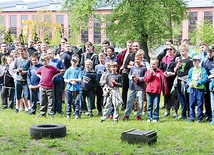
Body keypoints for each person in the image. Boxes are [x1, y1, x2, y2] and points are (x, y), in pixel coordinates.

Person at [121, 53, 147, 121]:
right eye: (135, 59)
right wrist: (132, 77)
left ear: (141, 60)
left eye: (138, 59)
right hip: (132, 87)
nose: (136, 61)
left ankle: (139, 115)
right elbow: (129, 76)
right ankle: (126, 115)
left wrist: (138, 78)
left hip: (140, 88)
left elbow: (145, 78)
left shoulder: (144, 68)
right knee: (130, 101)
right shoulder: (132, 68)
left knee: (140, 102)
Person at [144, 58, 168, 122]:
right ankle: (149, 117)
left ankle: (155, 117)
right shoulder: (148, 72)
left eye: (154, 64)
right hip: (149, 91)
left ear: (157, 64)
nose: (152, 65)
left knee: (156, 105)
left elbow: (164, 82)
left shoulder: (160, 72)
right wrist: (150, 74)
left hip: (157, 91)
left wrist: (164, 91)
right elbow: (146, 80)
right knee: (149, 105)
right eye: (151, 64)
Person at [173, 44, 193, 119]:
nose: (182, 53)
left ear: (187, 51)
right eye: (181, 51)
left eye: (183, 51)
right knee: (180, 98)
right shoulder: (179, 59)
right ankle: (183, 113)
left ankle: (189, 114)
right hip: (178, 80)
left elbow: (191, 71)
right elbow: (175, 70)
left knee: (187, 97)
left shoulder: (189, 60)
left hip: (186, 81)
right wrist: (176, 67)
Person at [187, 55, 208, 123]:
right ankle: (192, 117)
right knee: (192, 103)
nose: (194, 62)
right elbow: (189, 78)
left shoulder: (202, 69)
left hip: (199, 89)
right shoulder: (191, 70)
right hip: (192, 89)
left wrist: (199, 82)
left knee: (200, 103)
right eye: (193, 61)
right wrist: (189, 83)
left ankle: (200, 118)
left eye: (196, 61)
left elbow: (205, 78)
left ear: (199, 61)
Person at [63, 54, 83, 119]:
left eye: (75, 61)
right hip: (69, 88)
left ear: (77, 62)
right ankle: (68, 114)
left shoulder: (78, 70)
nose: (74, 63)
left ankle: (77, 113)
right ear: (71, 61)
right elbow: (65, 79)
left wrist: (73, 80)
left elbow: (80, 79)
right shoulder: (68, 70)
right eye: (73, 61)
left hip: (76, 89)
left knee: (76, 102)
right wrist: (70, 81)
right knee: (69, 102)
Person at [159, 45, 177, 117]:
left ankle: (175, 110)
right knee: (166, 94)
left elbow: (177, 71)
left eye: (171, 49)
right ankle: (167, 109)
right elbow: (160, 69)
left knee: (174, 95)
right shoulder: (163, 59)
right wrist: (164, 73)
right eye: (167, 49)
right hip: (165, 80)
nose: (169, 51)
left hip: (173, 79)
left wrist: (172, 73)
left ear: (174, 50)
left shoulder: (176, 59)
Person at [48, 48, 65, 115]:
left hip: (58, 80)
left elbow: (63, 70)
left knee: (58, 95)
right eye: (48, 53)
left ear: (53, 53)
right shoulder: (48, 62)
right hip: (50, 81)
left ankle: (59, 110)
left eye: (50, 53)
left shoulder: (58, 61)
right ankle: (53, 110)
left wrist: (57, 73)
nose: (49, 55)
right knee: (52, 96)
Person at [118, 40, 133, 111]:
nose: (130, 47)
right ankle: (124, 104)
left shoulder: (135, 53)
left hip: (132, 73)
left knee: (132, 89)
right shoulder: (123, 53)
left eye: (131, 45)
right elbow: (119, 61)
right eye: (128, 45)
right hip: (124, 72)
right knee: (124, 89)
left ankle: (132, 105)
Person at [13, 47, 30, 113]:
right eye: (19, 52)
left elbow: (30, 69)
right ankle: (17, 108)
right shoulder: (17, 60)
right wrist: (17, 70)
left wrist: (24, 72)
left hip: (25, 80)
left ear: (25, 51)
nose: (21, 53)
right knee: (18, 94)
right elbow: (13, 69)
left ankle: (27, 108)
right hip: (18, 79)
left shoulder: (28, 60)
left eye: (22, 51)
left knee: (26, 95)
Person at [201, 48, 214, 121]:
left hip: (213, 81)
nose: (210, 53)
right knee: (206, 98)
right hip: (206, 82)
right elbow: (202, 70)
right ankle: (208, 114)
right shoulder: (205, 61)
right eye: (208, 52)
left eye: (211, 52)